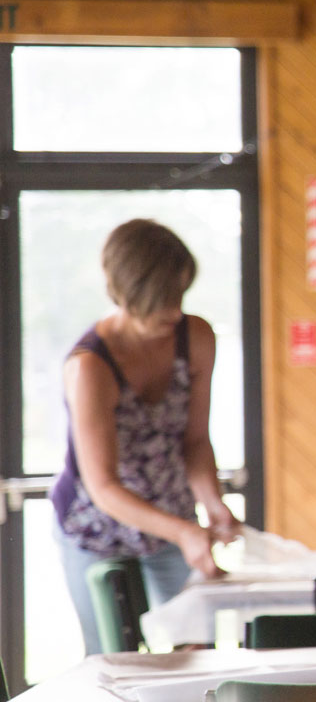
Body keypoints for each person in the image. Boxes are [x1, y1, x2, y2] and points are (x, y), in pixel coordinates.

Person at [51, 218, 239, 655]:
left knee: (198, 654)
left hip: (172, 517)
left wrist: (212, 504)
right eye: (161, 300)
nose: (174, 312)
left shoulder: (196, 337)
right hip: (94, 528)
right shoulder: (90, 367)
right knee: (113, 666)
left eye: (179, 296)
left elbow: (194, 440)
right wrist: (184, 532)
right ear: (126, 293)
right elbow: (103, 486)